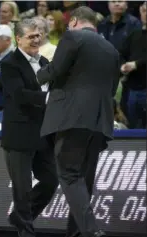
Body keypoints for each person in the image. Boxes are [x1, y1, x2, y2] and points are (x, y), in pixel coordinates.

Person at [37, 6, 120, 237]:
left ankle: (92, 232)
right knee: (83, 180)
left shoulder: (73, 36)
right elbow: (113, 88)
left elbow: (56, 70)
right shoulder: (112, 49)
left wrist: (37, 72)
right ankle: (76, 234)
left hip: (71, 117)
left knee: (70, 175)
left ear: (73, 22)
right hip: (99, 121)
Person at [0, 19, 58, 237]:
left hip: (43, 134)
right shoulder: (9, 64)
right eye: (31, 36)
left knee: (52, 179)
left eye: (38, 35)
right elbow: (19, 95)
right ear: (18, 39)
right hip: (19, 135)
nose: (37, 39)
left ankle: (20, 217)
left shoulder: (44, 61)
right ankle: (25, 230)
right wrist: (50, 98)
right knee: (22, 189)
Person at [120, 2, 146, 128]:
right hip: (133, 89)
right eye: (145, 11)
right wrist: (122, 66)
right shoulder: (135, 34)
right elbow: (121, 53)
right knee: (134, 129)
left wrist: (136, 64)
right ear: (140, 11)